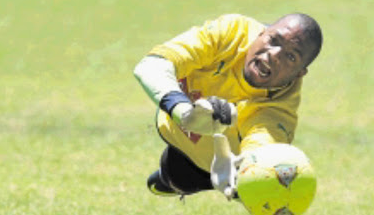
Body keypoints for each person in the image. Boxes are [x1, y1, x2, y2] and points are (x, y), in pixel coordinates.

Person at [133, 13, 323, 199]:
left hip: (213, 161)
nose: (274, 54)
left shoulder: (281, 106)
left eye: (290, 56)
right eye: (274, 40)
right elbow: (151, 66)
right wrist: (184, 112)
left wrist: (248, 172)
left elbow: (261, 145)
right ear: (261, 34)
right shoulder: (231, 33)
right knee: (178, 174)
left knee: (184, 178)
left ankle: (177, 179)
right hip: (171, 124)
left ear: (300, 73)